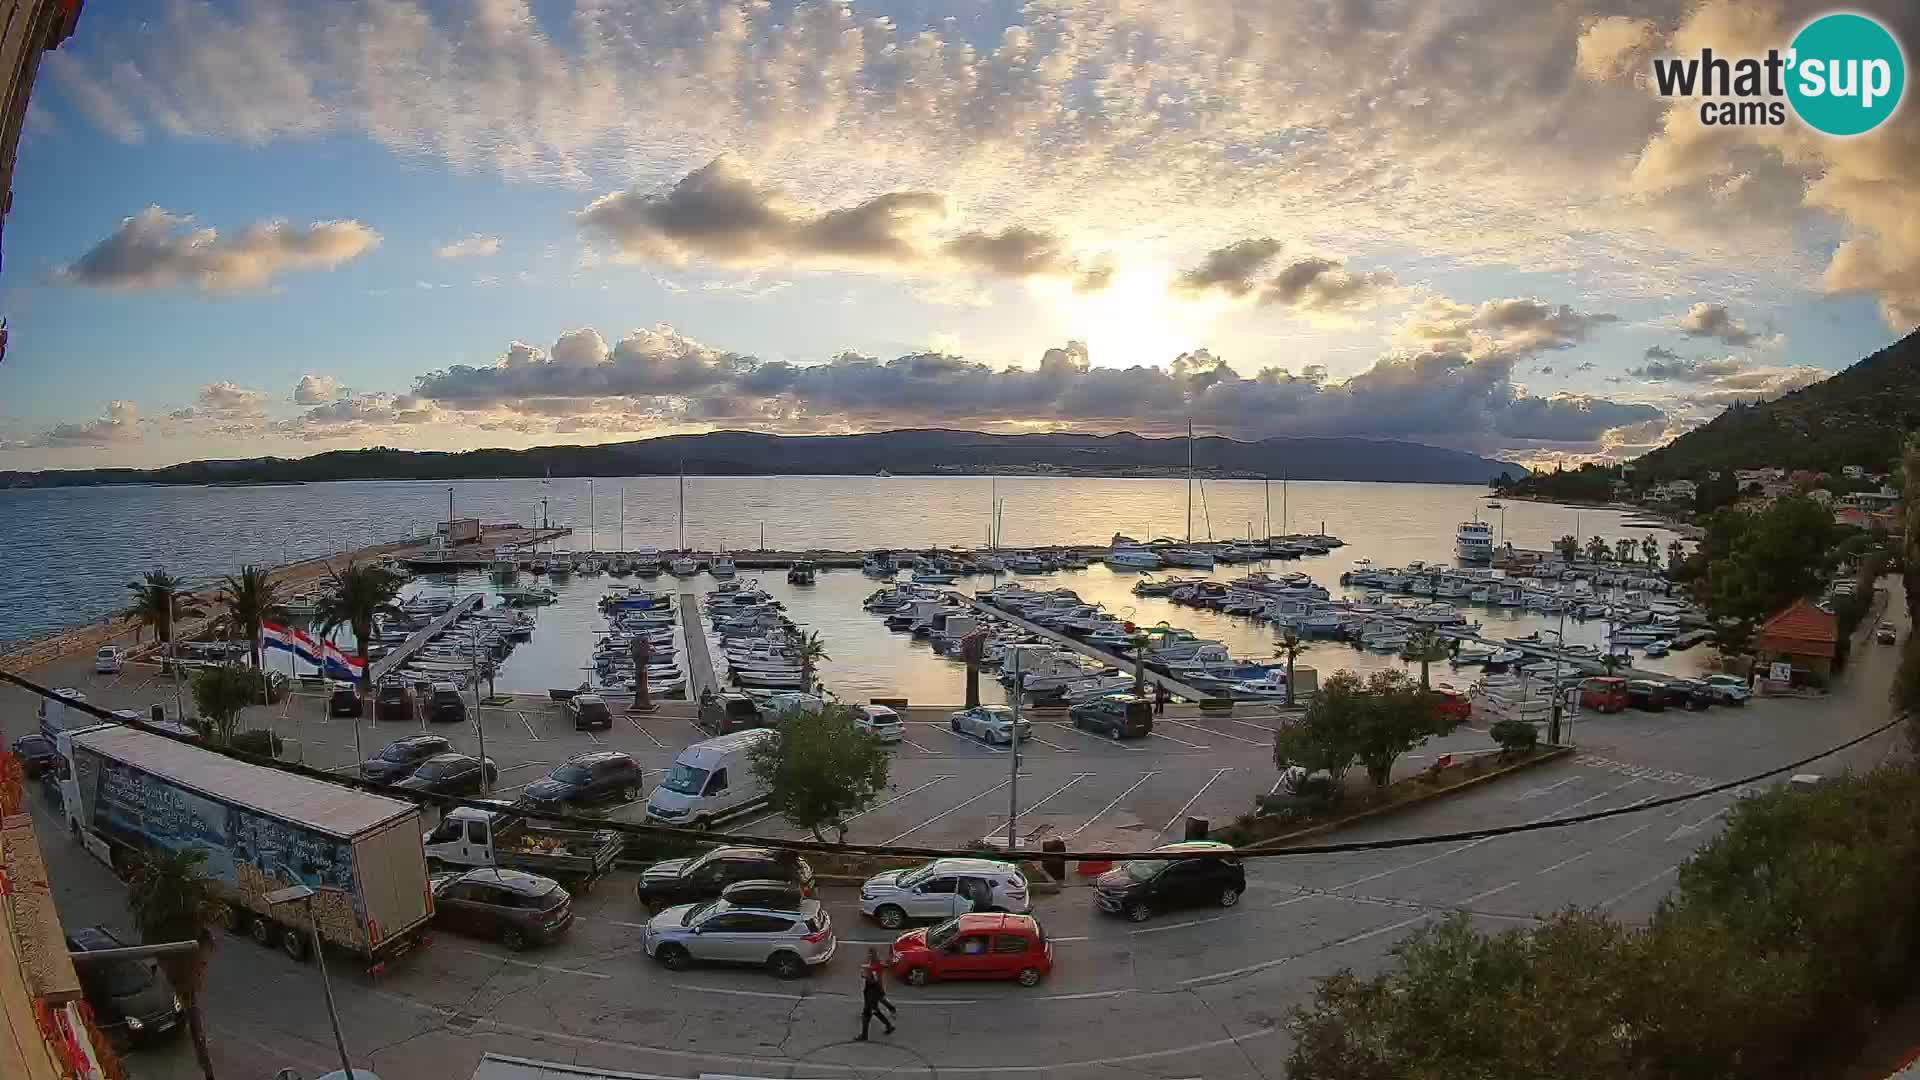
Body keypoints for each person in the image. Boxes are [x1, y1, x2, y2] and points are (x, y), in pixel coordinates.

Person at [857, 947, 896, 1041]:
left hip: (873, 991)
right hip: (871, 991)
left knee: (870, 1012)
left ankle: (865, 1035)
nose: (869, 956)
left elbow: (874, 979)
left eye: (871, 954)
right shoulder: (874, 963)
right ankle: (888, 1025)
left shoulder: (875, 965)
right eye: (869, 954)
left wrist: (865, 975)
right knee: (871, 1011)